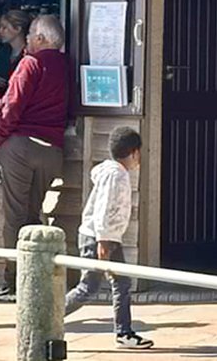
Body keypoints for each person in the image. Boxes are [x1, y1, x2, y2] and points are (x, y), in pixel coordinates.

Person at [0, 14, 70, 301]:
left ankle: (14, 282)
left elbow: (11, 105)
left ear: (40, 38)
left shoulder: (30, 63)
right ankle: (38, 277)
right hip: (53, 149)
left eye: (30, 36)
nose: (26, 41)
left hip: (21, 146)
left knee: (14, 217)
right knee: (35, 215)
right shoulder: (65, 64)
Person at [64, 126, 153, 350]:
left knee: (122, 282)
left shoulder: (114, 172)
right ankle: (46, 314)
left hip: (109, 238)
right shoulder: (115, 175)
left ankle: (124, 333)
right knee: (89, 288)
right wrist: (103, 241)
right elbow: (104, 208)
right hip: (99, 238)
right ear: (133, 152)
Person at [0, 10, 32, 96]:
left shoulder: (30, 56)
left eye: (4, 28)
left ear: (18, 29)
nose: (0, 31)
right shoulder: (2, 54)